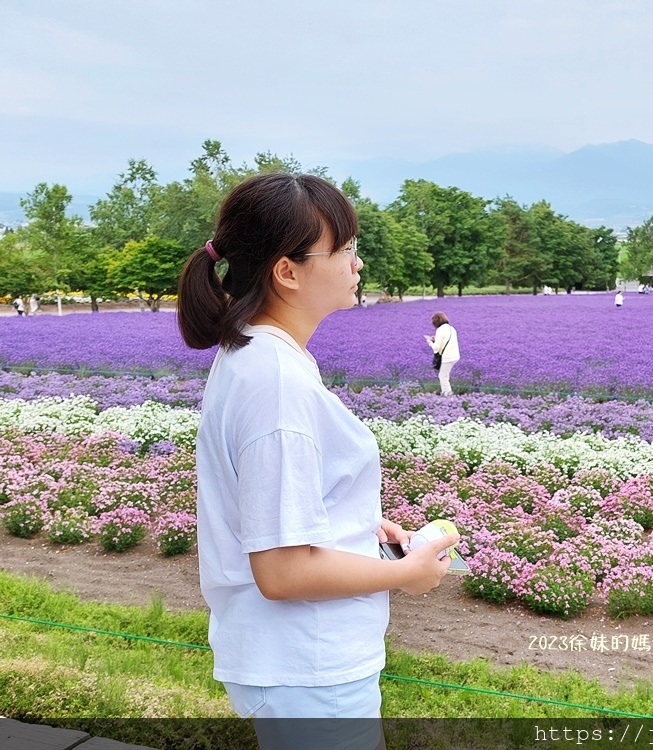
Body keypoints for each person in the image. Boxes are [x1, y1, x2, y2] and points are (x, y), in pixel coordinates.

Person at [175, 173, 456, 747]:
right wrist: (406, 573)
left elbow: (269, 496)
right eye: (346, 249)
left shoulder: (257, 354)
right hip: (309, 667)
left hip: (294, 664)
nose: (357, 263)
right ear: (287, 271)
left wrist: (355, 522)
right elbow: (282, 572)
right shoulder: (277, 382)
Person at [426, 311, 460, 396]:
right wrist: (436, 339)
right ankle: (447, 394)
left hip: (447, 357)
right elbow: (446, 340)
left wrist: (430, 342)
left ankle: (448, 397)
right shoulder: (451, 328)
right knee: (445, 376)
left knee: (443, 377)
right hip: (455, 355)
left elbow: (436, 348)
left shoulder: (440, 330)